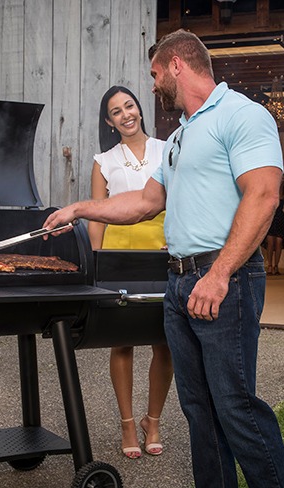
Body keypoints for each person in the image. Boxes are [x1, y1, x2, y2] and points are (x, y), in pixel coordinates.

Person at [43, 29, 284, 488]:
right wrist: (81, 209)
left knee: (237, 407)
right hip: (180, 282)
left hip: (225, 280)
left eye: (154, 75)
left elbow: (263, 195)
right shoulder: (185, 134)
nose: (152, 86)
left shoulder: (243, 115)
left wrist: (218, 274)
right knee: (198, 408)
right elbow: (146, 202)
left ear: (176, 67)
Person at [89, 85, 174, 459]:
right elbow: (96, 214)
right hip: (120, 257)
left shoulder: (167, 148)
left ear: (139, 109)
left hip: (162, 253)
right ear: (109, 121)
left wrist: (179, 239)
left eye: (130, 105)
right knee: (121, 342)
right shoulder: (103, 160)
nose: (126, 114)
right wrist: (97, 261)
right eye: (117, 111)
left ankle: (152, 420)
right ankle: (126, 423)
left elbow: (181, 196)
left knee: (165, 341)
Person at [262, 173, 284, 275]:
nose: (282, 180)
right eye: (281, 178)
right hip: (271, 217)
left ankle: (276, 266)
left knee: (279, 242)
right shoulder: (272, 190)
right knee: (270, 242)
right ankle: (269, 265)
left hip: (280, 218)